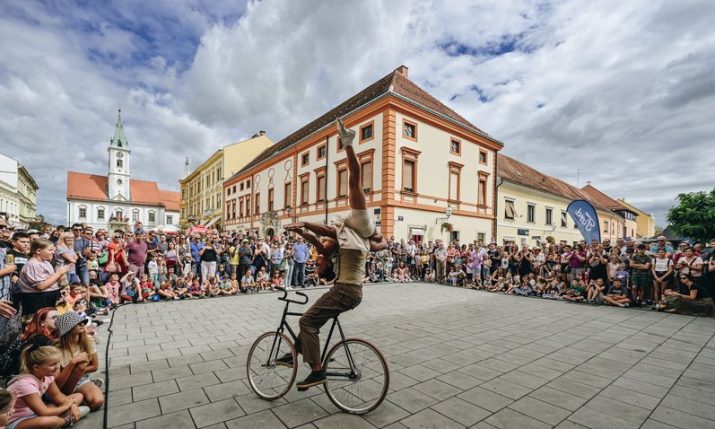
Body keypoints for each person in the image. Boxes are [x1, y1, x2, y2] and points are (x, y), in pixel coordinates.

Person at [278, 118, 388, 391]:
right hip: (352, 291)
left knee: (306, 320)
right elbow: (321, 242)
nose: (317, 262)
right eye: (318, 265)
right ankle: (298, 352)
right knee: (314, 319)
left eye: (317, 264)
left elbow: (322, 234)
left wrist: (303, 225)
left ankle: (316, 370)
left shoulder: (342, 240)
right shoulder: (346, 242)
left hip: (346, 290)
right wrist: (382, 241)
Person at [5, 344, 89, 428]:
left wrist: (72, 405)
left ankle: (64, 417)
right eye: (53, 364)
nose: (57, 367)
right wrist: (67, 406)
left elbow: (58, 396)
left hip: (34, 413)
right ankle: (67, 420)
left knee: (78, 396)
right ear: (36, 367)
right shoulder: (25, 384)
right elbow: (44, 412)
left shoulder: (47, 376)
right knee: (48, 421)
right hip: (15, 421)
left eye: (57, 363)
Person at [55, 312, 104, 410]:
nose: (82, 324)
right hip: (64, 384)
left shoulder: (88, 340)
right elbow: (57, 382)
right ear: (67, 329)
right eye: (77, 323)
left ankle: (80, 398)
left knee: (97, 401)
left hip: (81, 379)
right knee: (80, 365)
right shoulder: (56, 349)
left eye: (82, 322)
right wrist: (73, 364)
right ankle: (79, 399)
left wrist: (78, 372)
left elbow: (95, 366)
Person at [18, 240, 71, 316]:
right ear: (38, 251)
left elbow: (50, 280)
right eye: (50, 250)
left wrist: (60, 276)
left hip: (51, 296)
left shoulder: (46, 262)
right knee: (40, 323)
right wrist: (58, 273)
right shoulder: (33, 264)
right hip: (38, 299)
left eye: (54, 250)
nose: (53, 252)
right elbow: (41, 286)